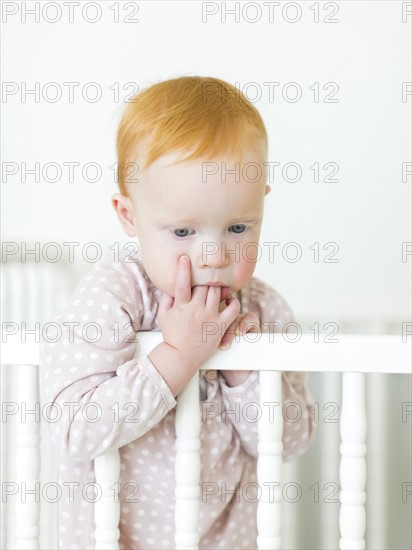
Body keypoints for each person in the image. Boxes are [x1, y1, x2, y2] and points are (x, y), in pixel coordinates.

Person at [39, 75, 315, 549]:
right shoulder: (116, 295)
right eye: (184, 233)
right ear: (129, 216)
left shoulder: (263, 310)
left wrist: (242, 372)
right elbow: (75, 428)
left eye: (237, 227)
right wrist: (177, 355)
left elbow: (290, 444)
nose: (213, 254)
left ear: (261, 206)